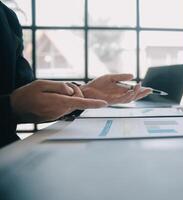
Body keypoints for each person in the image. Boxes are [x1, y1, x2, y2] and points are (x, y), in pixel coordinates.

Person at [0, 1, 151, 148]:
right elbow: (18, 102)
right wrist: (11, 106)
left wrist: (82, 94)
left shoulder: (7, 16)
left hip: (11, 151)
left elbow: (26, 97)